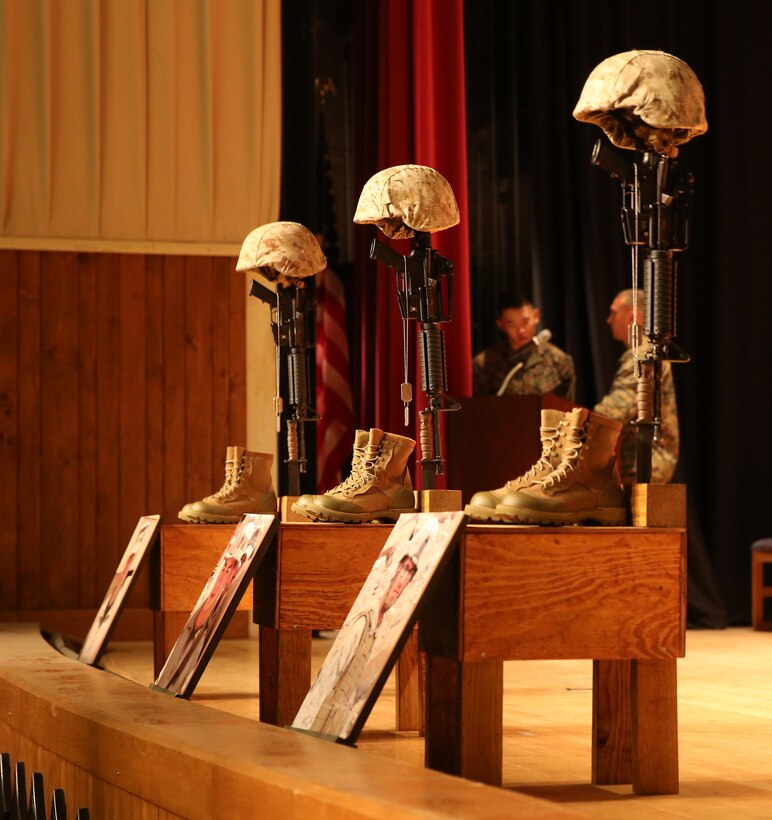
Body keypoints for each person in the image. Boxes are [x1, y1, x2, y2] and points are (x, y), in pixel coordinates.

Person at [594, 288, 679, 484]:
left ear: (632, 316)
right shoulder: (647, 351)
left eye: (614, 313)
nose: (608, 320)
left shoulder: (643, 355)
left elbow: (615, 410)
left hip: (644, 464)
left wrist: (576, 424)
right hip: (643, 462)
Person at [472, 290, 575, 399]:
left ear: (536, 316)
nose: (521, 331)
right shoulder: (484, 364)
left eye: (525, 322)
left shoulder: (559, 361)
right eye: (512, 325)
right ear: (501, 325)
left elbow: (567, 411)